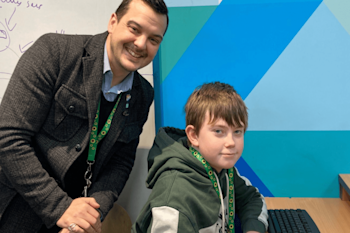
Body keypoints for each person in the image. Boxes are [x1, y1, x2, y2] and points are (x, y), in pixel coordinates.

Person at [0, 0, 168, 232]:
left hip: (75, 220)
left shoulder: (143, 94)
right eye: (134, 29)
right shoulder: (54, 52)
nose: (141, 44)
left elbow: (120, 163)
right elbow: (8, 138)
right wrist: (60, 208)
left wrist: (89, 216)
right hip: (15, 207)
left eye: (153, 39)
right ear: (112, 22)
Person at [132, 82, 268, 233]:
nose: (230, 142)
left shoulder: (222, 169)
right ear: (194, 135)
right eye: (218, 131)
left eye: (237, 131)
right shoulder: (175, 198)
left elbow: (252, 198)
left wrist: (253, 229)